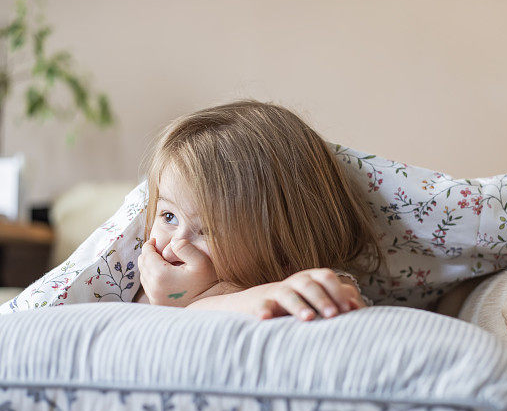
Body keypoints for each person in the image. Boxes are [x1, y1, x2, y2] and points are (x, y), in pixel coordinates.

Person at [131, 100, 384, 321]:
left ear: (280, 239)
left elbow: (305, 302)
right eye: (168, 216)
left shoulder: (316, 284)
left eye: (208, 229)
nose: (176, 245)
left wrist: (186, 300)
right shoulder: (151, 282)